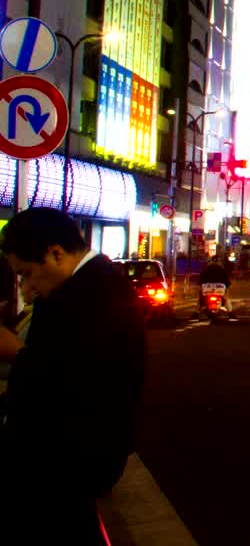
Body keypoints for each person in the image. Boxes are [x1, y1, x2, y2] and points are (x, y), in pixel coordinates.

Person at [0, 207, 145, 544]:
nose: (27, 285)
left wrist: (15, 351)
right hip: (68, 456)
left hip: (68, 459)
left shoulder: (92, 293)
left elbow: (75, 380)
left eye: (27, 273)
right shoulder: (88, 283)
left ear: (55, 253)